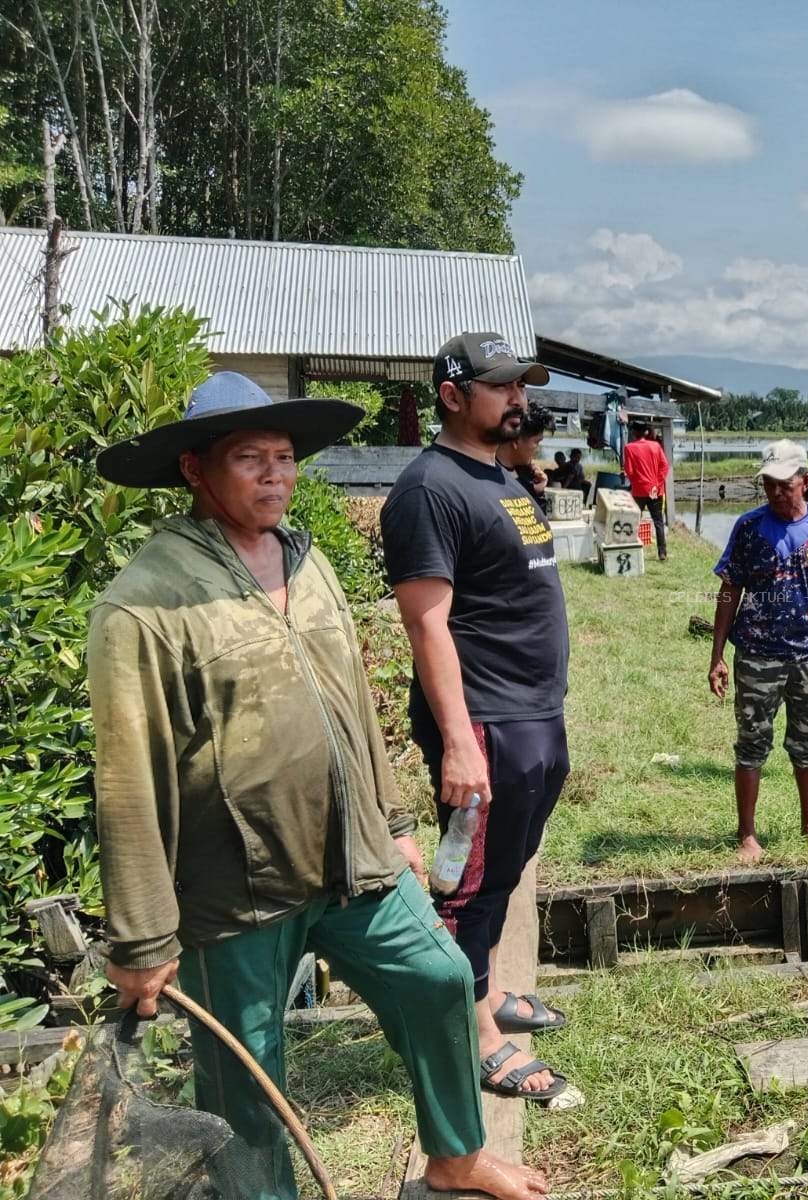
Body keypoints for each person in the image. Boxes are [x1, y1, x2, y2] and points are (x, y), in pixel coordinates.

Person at [88, 372, 548, 1199]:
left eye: (285, 457)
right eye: (249, 458)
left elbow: (354, 706)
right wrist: (143, 939)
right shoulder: (147, 602)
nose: (275, 475)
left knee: (441, 979)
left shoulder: (309, 562)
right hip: (237, 890)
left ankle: (456, 1158)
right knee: (247, 1082)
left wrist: (394, 821)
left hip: (355, 858)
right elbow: (127, 780)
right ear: (194, 469)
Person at [381, 333, 575, 1107]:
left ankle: (484, 988)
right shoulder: (429, 490)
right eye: (501, 387)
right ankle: (474, 1034)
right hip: (487, 722)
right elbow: (426, 625)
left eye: (521, 386)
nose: (517, 399)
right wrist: (460, 742)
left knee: (505, 870)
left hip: (532, 713)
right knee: (467, 885)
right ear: (453, 395)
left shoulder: (497, 475)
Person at [708, 440, 808, 864]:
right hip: (757, 655)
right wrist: (717, 656)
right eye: (768, 484)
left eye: (784, 484)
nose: (775, 492)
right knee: (751, 743)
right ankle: (747, 834)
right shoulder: (749, 528)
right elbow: (729, 590)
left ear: (805, 482)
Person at [621, 423, 670, 560]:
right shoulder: (656, 446)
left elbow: (629, 471)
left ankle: (631, 548)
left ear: (634, 433)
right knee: (658, 522)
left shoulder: (629, 448)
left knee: (634, 520)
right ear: (646, 432)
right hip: (656, 491)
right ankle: (662, 553)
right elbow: (665, 467)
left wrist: (636, 482)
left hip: (639, 491)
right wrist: (656, 484)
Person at [499, 403, 553, 511]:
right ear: (516, 440)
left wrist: (537, 491)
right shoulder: (494, 480)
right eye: (537, 442)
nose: (538, 449)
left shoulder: (526, 475)